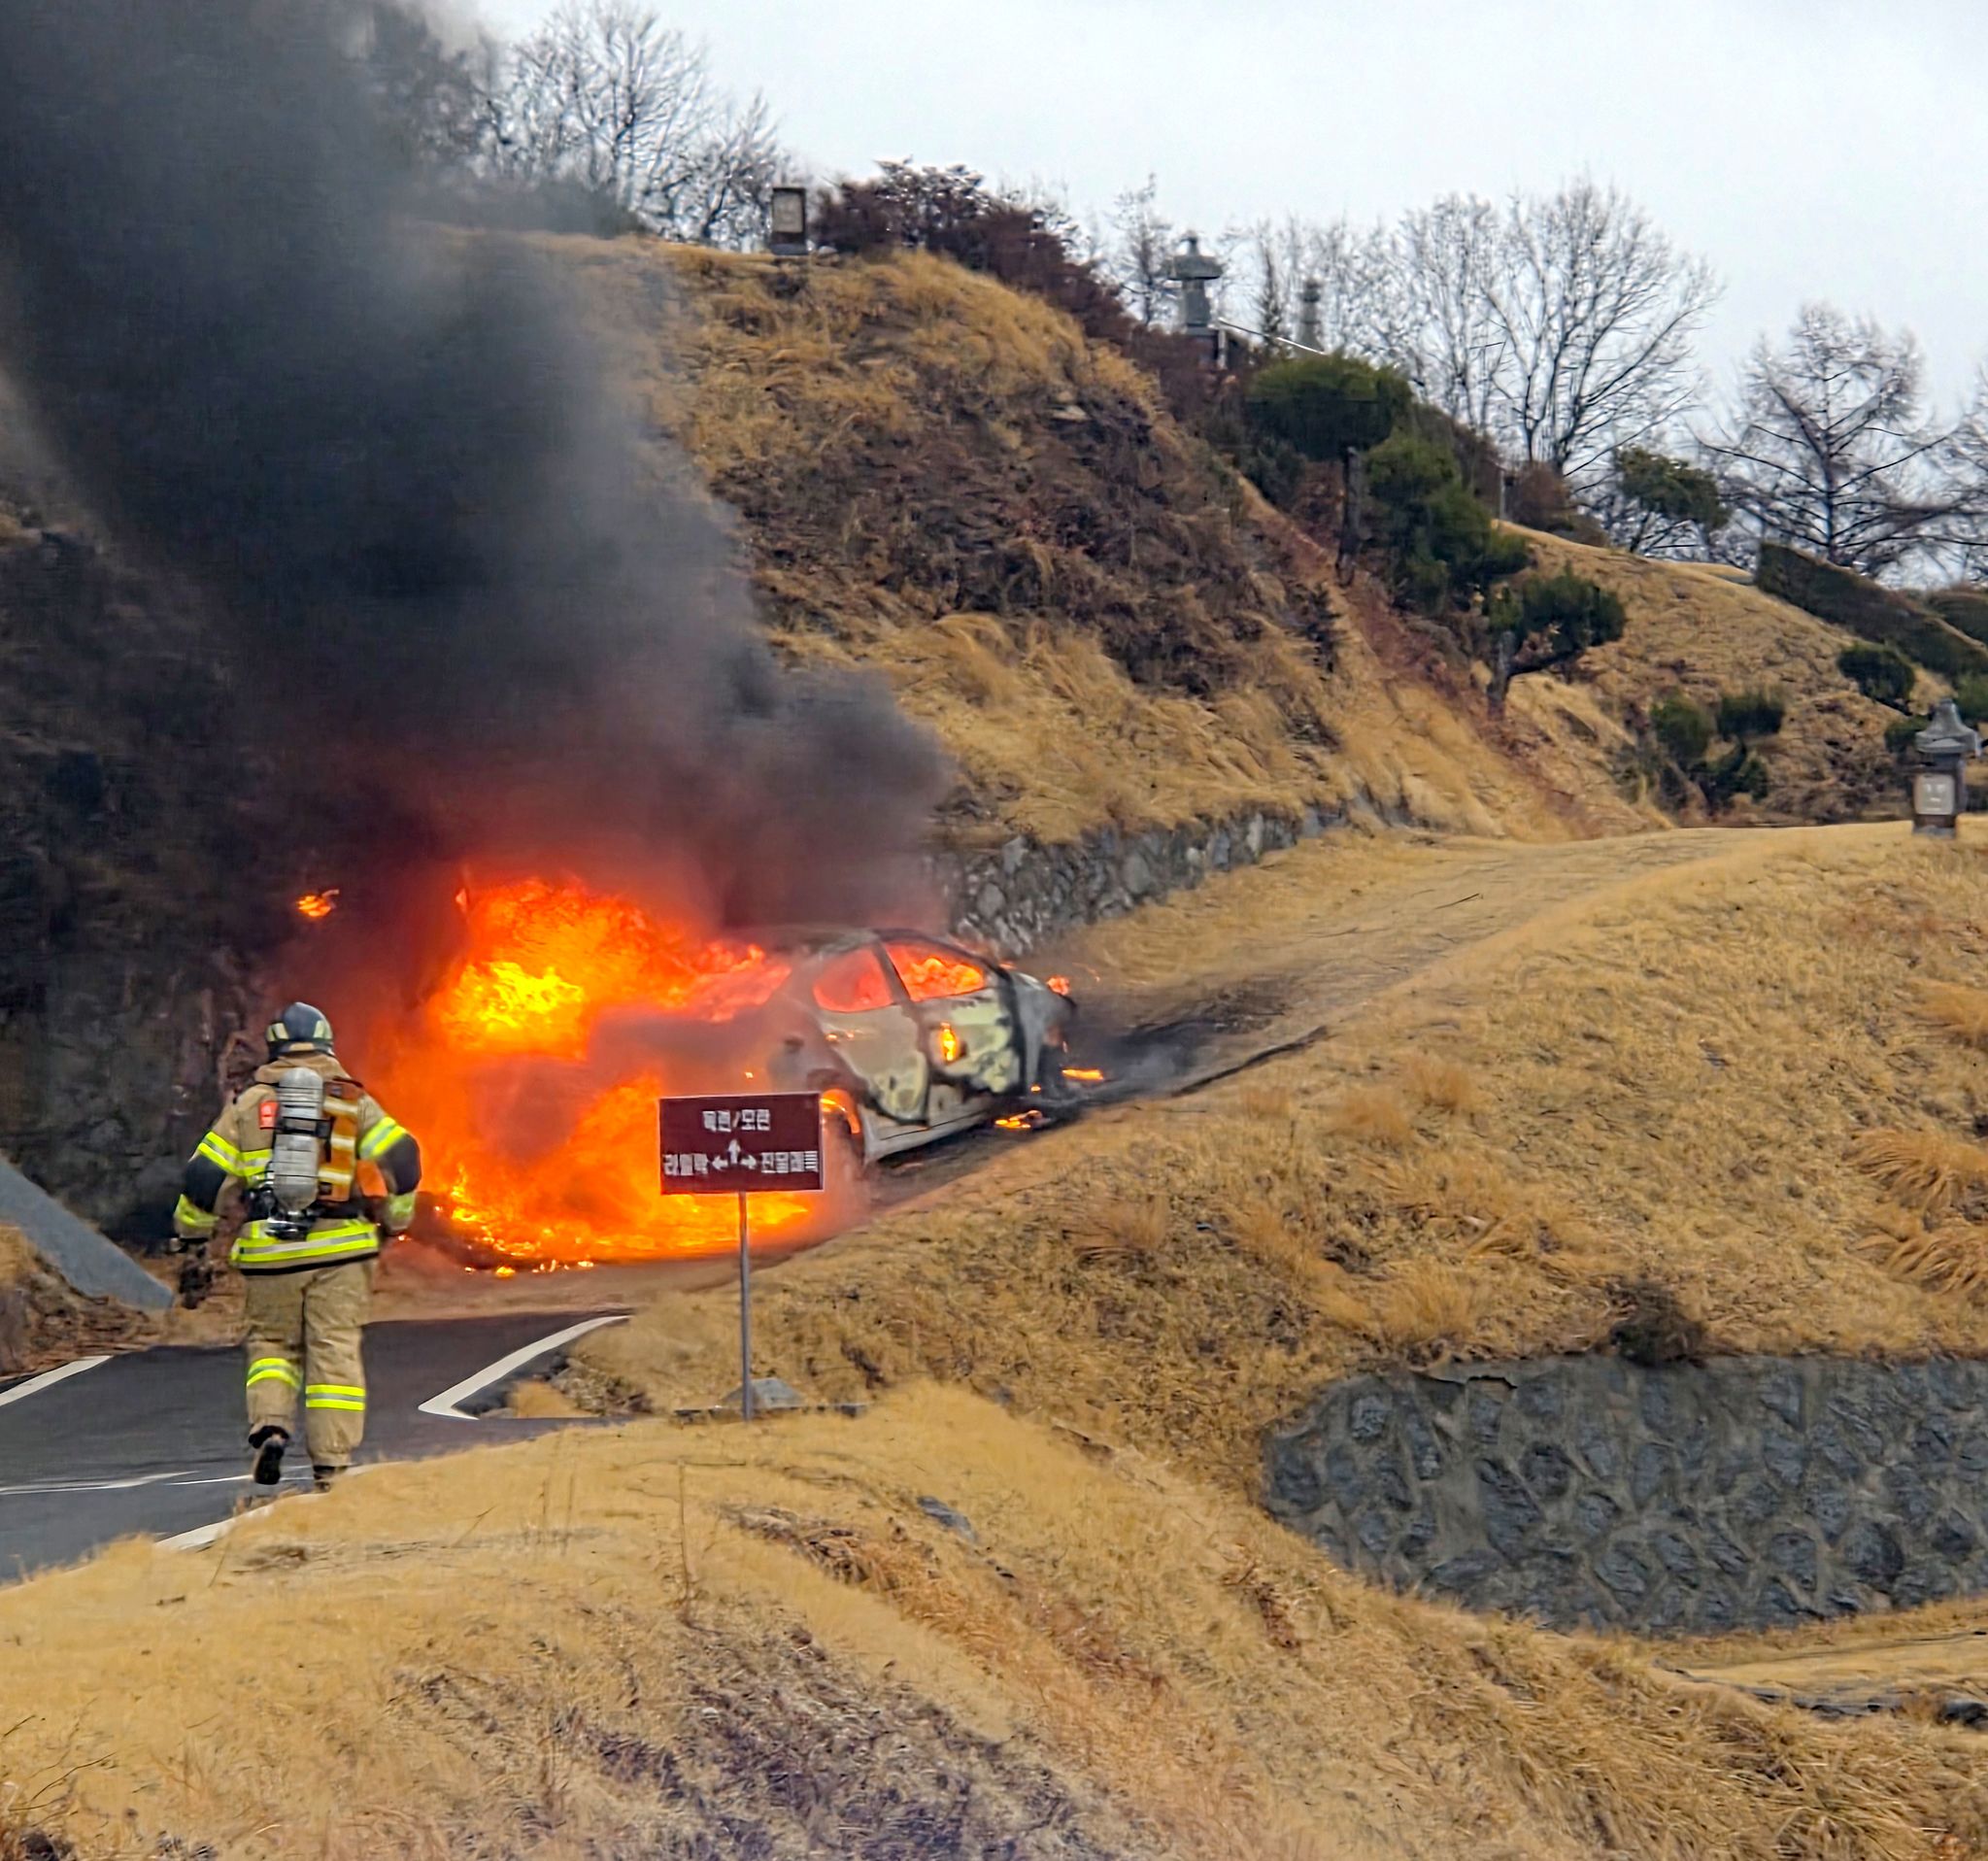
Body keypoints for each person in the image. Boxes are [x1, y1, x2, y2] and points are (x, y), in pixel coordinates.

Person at [173, 1002, 421, 1496]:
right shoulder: (350, 1101)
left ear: (275, 1049)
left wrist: (194, 1242)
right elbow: (403, 1156)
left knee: (272, 1347)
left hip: (270, 1256)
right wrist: (396, 1219)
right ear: (327, 1046)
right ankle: (331, 1470)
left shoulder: (247, 1107)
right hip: (341, 1252)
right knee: (333, 1353)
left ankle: (271, 1427)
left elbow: (203, 1178)